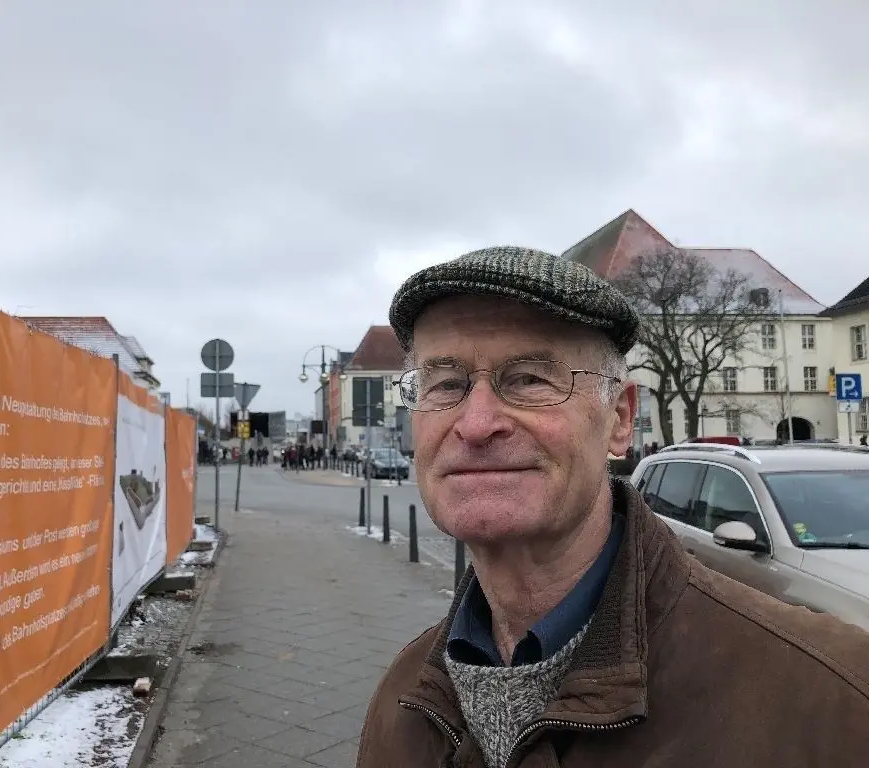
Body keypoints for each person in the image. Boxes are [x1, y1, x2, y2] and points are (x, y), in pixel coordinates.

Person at [357, 246, 869, 767]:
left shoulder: (833, 699)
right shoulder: (402, 703)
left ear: (620, 419)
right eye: (445, 384)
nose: (476, 423)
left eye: (529, 379)